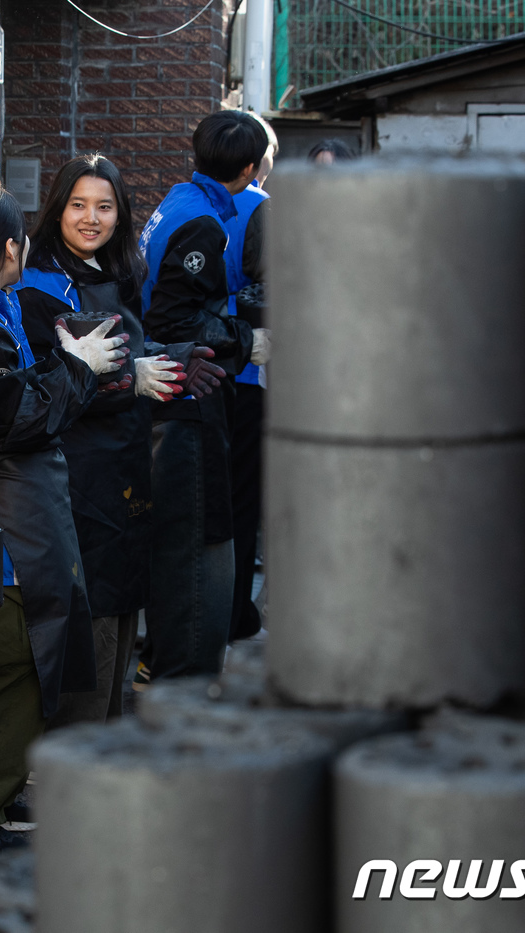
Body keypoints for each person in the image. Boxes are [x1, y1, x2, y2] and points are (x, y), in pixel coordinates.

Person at [0, 188, 136, 861]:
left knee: (21, 657)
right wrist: (79, 370)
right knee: (2, 658)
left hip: (10, 511)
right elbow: (13, 418)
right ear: (13, 250)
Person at [17, 154, 203, 721]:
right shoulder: (40, 285)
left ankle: (109, 734)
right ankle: (74, 750)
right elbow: (44, 390)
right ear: (57, 210)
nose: (90, 218)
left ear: (122, 215)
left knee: (124, 603)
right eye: (78, 205)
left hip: (126, 466)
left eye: (104, 206)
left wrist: (169, 361)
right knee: (89, 611)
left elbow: (128, 353)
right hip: (74, 473)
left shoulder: (123, 272)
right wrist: (132, 381)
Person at [133, 110, 271, 688]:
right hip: (182, 400)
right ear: (249, 167)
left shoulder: (180, 199)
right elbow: (174, 318)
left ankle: (168, 663)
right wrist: (248, 339)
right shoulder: (204, 226)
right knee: (194, 540)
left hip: (166, 389)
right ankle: (174, 678)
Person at [225, 116, 277, 644]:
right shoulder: (258, 206)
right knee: (240, 504)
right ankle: (235, 612)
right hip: (244, 371)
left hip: (205, 369)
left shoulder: (178, 202)